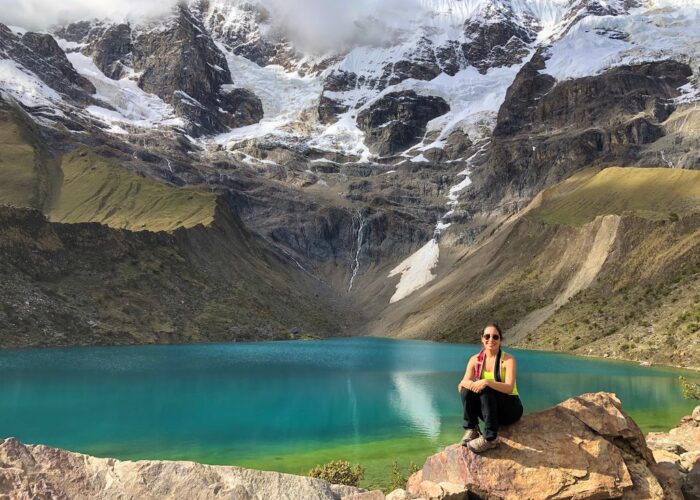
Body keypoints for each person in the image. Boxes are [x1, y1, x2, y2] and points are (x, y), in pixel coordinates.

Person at [457, 323, 523, 453]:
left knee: (486, 388)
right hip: (490, 411)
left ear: (500, 340)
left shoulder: (508, 360)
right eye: (487, 336)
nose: (491, 340)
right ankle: (472, 429)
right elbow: (462, 384)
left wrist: (487, 382)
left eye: (495, 337)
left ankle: (490, 438)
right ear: (482, 339)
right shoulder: (475, 360)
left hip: (510, 409)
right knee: (467, 390)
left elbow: (509, 388)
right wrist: (469, 385)